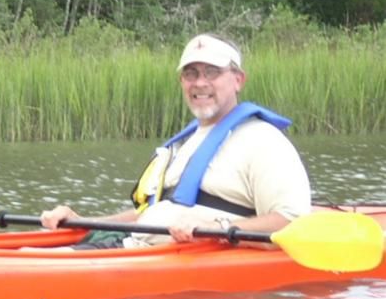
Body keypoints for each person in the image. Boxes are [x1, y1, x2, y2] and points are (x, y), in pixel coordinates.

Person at [40, 33, 312, 249]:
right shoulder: (186, 143)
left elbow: (291, 223)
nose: (200, 83)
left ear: (238, 80)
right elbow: (152, 216)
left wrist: (219, 227)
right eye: (191, 73)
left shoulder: (264, 141)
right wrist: (82, 222)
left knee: (38, 259)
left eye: (211, 72)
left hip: (172, 258)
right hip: (133, 246)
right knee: (34, 254)